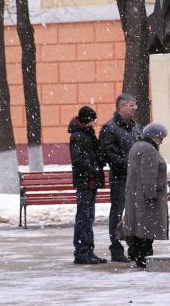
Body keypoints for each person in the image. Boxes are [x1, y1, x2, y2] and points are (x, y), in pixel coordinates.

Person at [99, 93, 141, 262]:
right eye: (131, 105)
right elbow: (107, 152)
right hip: (120, 178)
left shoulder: (135, 126)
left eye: (135, 105)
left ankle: (134, 247)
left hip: (136, 178)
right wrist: (126, 164)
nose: (134, 108)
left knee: (134, 213)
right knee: (117, 213)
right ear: (121, 107)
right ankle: (116, 248)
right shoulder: (110, 128)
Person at [124, 122, 168, 269]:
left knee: (138, 228)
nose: (162, 140)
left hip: (135, 196)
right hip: (146, 198)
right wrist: (151, 196)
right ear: (155, 136)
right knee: (146, 231)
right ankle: (144, 258)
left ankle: (137, 255)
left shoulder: (137, 146)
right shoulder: (149, 149)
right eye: (161, 137)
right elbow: (149, 175)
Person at [68, 106, 107, 265]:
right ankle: (81, 252)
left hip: (90, 181)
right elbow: (78, 160)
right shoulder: (78, 136)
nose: (95, 123)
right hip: (85, 182)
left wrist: (100, 160)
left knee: (89, 217)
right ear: (86, 120)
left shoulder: (88, 134)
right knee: (83, 218)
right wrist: (94, 169)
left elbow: (92, 154)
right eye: (93, 120)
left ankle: (88, 250)